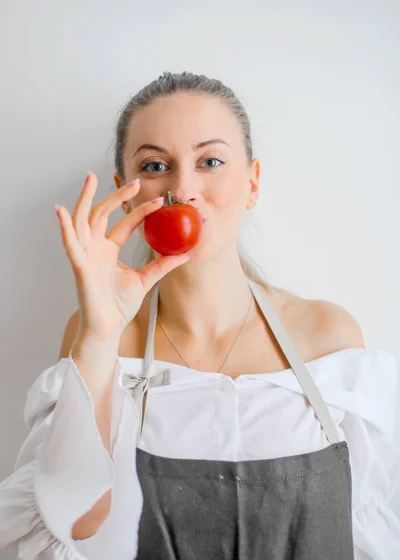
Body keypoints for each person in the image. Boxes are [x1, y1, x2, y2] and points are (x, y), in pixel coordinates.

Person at [0, 72, 399, 560]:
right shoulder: (102, 338)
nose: (182, 188)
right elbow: (73, 524)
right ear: (125, 191)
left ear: (252, 182)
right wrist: (101, 332)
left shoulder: (329, 335)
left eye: (210, 161)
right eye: (155, 165)